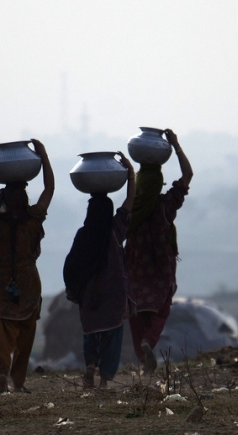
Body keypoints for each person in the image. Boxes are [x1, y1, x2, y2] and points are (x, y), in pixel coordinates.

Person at [0, 139, 54, 394]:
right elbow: (49, 189)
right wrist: (43, 154)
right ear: (24, 197)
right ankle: (18, 383)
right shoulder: (33, 218)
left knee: (3, 335)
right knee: (26, 334)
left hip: (1, 283)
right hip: (28, 284)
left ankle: (2, 376)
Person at [63, 152, 136, 389]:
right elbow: (128, 205)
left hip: (89, 296)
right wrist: (131, 176)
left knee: (91, 333)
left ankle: (90, 366)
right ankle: (104, 382)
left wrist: (75, 291)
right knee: (112, 338)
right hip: (113, 295)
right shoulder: (115, 231)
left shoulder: (83, 235)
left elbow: (70, 265)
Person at [125, 129, 192, 374]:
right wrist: (175, 144)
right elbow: (188, 175)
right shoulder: (166, 206)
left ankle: (144, 361)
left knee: (136, 313)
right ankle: (149, 343)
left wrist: (128, 169)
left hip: (134, 269)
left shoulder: (131, 209)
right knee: (161, 310)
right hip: (161, 269)